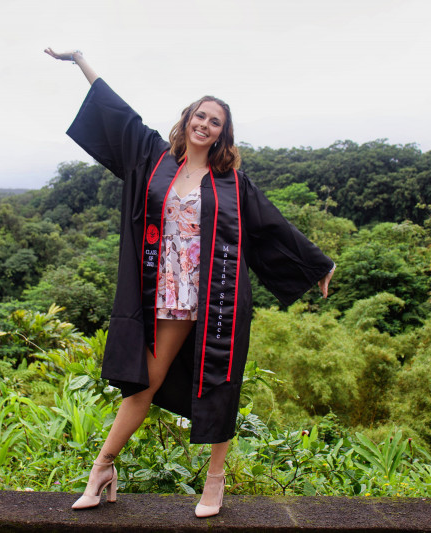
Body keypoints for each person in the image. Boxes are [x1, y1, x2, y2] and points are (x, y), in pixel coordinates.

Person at [45, 48, 336, 518]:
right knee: (143, 387)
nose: (205, 124)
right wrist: (81, 60)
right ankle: (102, 468)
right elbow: (119, 113)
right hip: (166, 296)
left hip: (215, 298)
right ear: (188, 119)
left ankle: (214, 483)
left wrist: (317, 266)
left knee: (222, 381)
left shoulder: (231, 183)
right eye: (200, 115)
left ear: (224, 133)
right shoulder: (156, 159)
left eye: (215, 121)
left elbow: (272, 226)